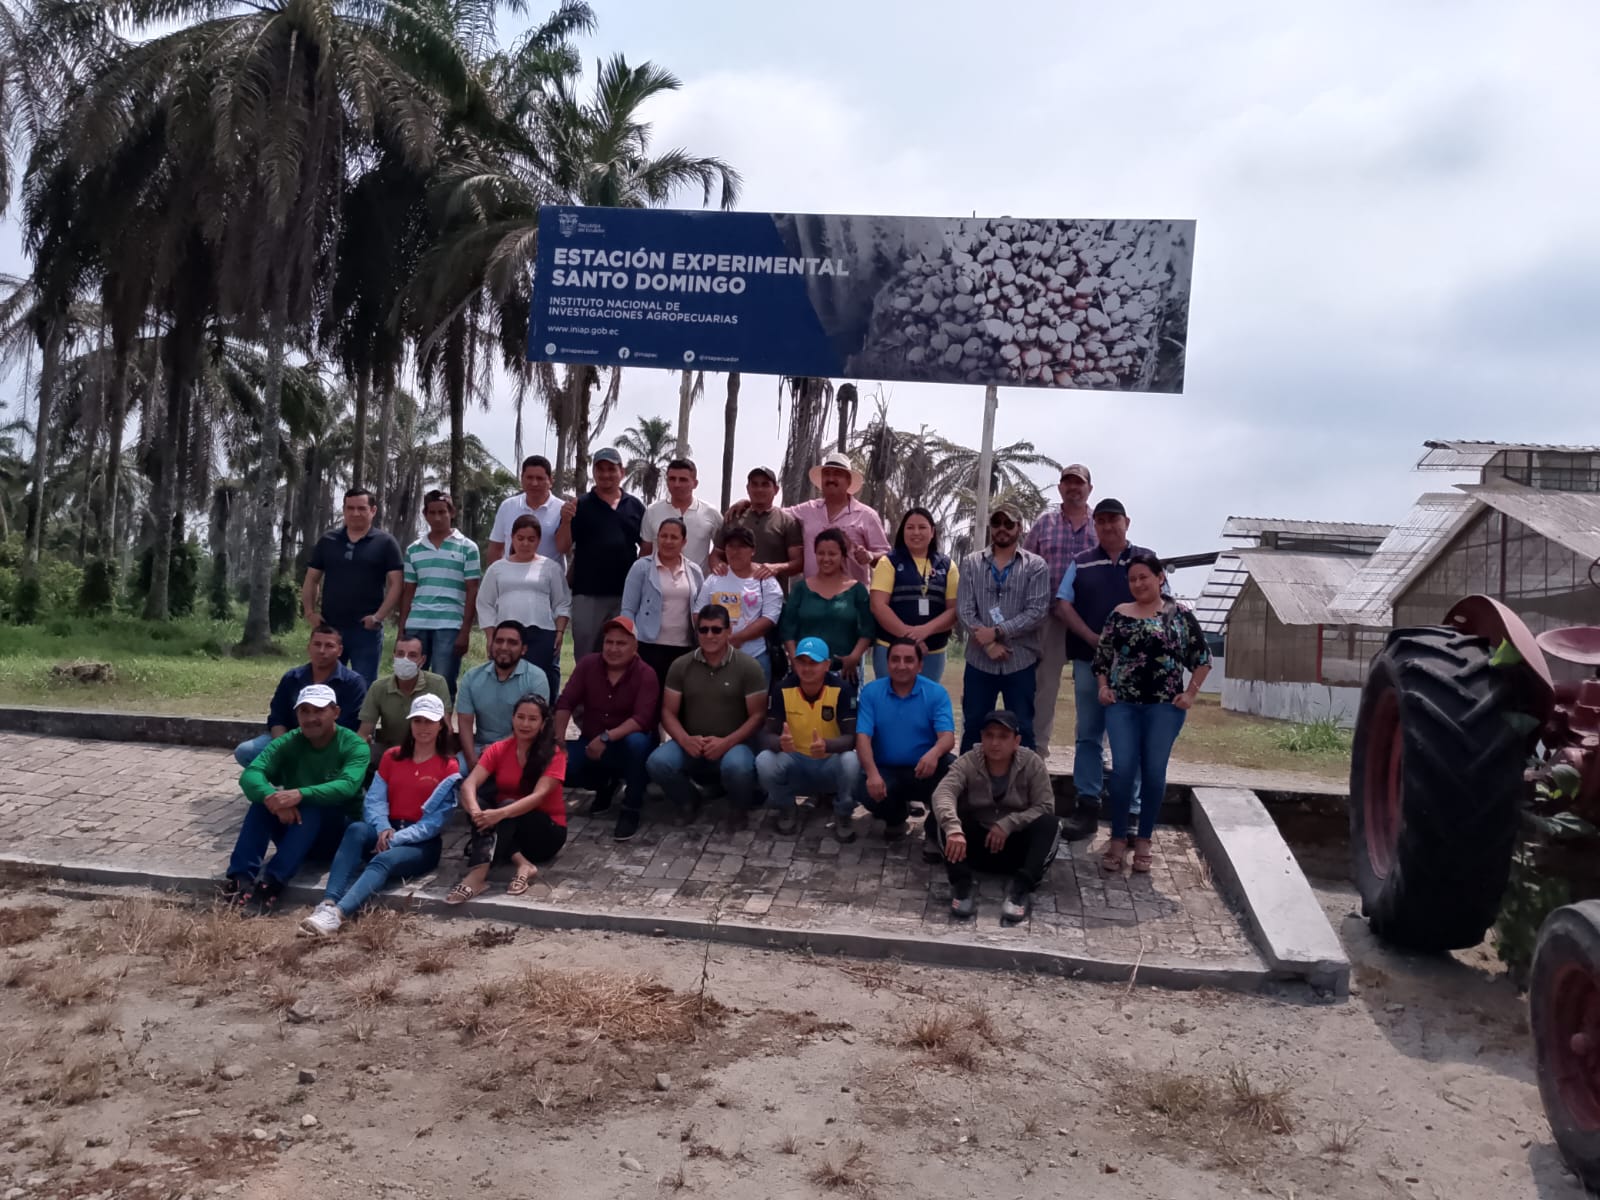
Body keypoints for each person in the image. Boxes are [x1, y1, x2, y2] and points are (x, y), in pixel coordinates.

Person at [300, 694, 460, 936]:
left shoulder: (449, 766)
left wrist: (396, 838)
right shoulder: (392, 756)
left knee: (383, 860)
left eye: (429, 721)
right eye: (418, 721)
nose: (423, 727)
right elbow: (375, 799)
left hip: (421, 843)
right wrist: (383, 827)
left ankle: (338, 915)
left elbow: (435, 821)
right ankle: (328, 902)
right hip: (386, 829)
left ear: (441, 726)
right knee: (356, 829)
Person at [1092, 554, 1211, 874]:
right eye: (1132, 579)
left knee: (1154, 772)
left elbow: (1202, 658)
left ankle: (1144, 839)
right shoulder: (1119, 614)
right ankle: (1118, 838)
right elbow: (1102, 659)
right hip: (1123, 706)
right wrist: (1103, 688)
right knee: (1122, 771)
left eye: (1144, 577)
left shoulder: (1179, 615)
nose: (1138, 584)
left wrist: (1190, 694)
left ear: (1160, 578)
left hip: (1164, 708)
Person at [1053, 498, 1159, 840]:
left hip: (1135, 669)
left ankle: (1131, 811)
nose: (1107, 526)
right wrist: (1090, 637)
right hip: (1089, 662)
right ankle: (1087, 805)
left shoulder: (1144, 559)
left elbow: (1164, 604)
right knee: (1088, 734)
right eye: (1100, 521)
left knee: (1131, 738)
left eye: (1114, 520)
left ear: (1127, 522)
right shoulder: (1082, 562)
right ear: (1094, 525)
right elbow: (1062, 603)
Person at [220, 685, 370, 915]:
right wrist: (272, 798)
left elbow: (347, 786)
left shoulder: (354, 745)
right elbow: (251, 774)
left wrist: (299, 794)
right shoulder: (290, 740)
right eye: (304, 711)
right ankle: (241, 878)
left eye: (319, 711)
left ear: (336, 712)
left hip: (336, 837)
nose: (311, 718)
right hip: (296, 829)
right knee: (261, 804)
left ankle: (272, 883)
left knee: (311, 806)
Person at [930, 710, 1061, 923]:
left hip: (1016, 848)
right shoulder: (968, 761)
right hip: (975, 846)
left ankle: (1021, 889)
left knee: (1051, 824)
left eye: (1003, 736)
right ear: (982, 738)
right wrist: (954, 829)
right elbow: (943, 793)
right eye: (989, 735)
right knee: (939, 816)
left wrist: (1009, 823)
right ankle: (962, 885)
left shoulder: (1032, 763)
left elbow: (1045, 806)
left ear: (1016, 741)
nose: (995, 743)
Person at [646, 604, 767, 821]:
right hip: (692, 743)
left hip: (734, 745)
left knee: (738, 767)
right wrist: (685, 740)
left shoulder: (749, 667)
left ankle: (739, 807)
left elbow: (757, 716)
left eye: (716, 629)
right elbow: (668, 712)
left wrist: (726, 743)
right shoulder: (680, 666)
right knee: (658, 762)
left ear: (729, 631)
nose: (709, 635)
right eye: (703, 629)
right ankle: (688, 800)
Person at [448, 694, 569, 904]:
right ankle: (523, 864)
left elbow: (538, 796)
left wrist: (499, 814)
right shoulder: (499, 748)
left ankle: (477, 875)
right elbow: (469, 784)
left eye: (532, 719)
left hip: (544, 833)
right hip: (506, 827)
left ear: (543, 724)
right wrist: (477, 813)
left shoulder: (555, 753)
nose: (525, 724)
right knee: (476, 804)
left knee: (506, 807)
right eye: (520, 717)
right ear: (512, 718)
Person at [553, 617, 659, 843]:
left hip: (627, 744)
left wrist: (606, 737)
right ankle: (605, 784)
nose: (613, 649)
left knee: (637, 743)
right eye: (609, 642)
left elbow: (642, 719)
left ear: (635, 646)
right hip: (591, 742)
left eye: (621, 643)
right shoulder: (588, 665)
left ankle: (631, 807)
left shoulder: (646, 673)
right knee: (562, 765)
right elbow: (565, 702)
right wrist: (559, 741)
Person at [955, 501, 1050, 752]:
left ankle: (1023, 778)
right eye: (996, 523)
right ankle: (969, 777)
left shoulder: (1036, 565)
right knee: (974, 726)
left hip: (1020, 660)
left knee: (1023, 729)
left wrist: (997, 632)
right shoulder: (972, 563)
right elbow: (964, 610)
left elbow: (1037, 611)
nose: (1002, 529)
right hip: (979, 660)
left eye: (1009, 523)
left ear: (1020, 527)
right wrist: (988, 644)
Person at [1023, 463, 1097, 754]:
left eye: (1079, 482)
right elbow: (1025, 565)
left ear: (1089, 488)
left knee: (1092, 688)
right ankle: (1037, 750)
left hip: (1089, 619)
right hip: (1050, 617)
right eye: (1068, 482)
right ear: (1060, 488)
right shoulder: (1044, 524)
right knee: (1044, 687)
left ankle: (1092, 753)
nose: (1073, 487)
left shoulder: (1099, 525)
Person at [853, 637, 956, 844]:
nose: (901, 666)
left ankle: (933, 830)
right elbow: (862, 737)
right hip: (886, 770)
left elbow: (947, 737)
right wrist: (872, 774)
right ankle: (896, 818)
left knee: (953, 770)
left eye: (909, 660)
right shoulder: (871, 692)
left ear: (920, 665)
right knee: (860, 786)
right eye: (895, 659)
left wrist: (934, 753)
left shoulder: (936, 693)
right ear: (887, 662)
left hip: (924, 769)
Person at [755, 637, 861, 836]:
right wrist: (779, 743)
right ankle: (787, 807)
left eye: (814, 663)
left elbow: (851, 737)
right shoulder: (782, 689)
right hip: (796, 763)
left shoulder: (843, 690)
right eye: (802, 662)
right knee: (764, 760)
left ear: (827, 665)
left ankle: (843, 812)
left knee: (851, 760)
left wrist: (827, 745)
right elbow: (766, 734)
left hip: (829, 763)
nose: (807, 668)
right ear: (794, 663)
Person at [301, 488, 403, 684]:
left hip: (366, 630)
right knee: (324, 684)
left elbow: (396, 584)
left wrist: (378, 617)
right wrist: (310, 613)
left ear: (373, 510)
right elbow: (312, 579)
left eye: (361, 508)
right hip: (330, 627)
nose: (355, 513)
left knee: (363, 686)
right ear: (344, 510)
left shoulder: (386, 543)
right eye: (350, 508)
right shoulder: (328, 541)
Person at [234, 626, 367, 767]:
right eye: (317, 644)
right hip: (291, 739)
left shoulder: (353, 683)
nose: (322, 651)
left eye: (329, 646)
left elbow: (349, 725)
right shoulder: (292, 678)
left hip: (332, 745)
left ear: (339, 651)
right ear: (308, 648)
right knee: (245, 752)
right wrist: (283, 747)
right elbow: (277, 717)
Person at [556, 447, 645, 656]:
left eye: (611, 469)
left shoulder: (634, 506)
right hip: (588, 593)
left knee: (623, 653)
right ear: (593, 472)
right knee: (587, 653)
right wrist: (566, 521)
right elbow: (562, 546)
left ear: (622, 472)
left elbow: (646, 546)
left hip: (626, 595)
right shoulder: (580, 505)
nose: (606, 474)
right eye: (600, 469)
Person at [476, 515, 571, 698]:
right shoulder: (497, 568)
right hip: (507, 635)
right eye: (520, 538)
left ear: (539, 541)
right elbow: (485, 603)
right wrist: (490, 635)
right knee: (507, 680)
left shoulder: (550, 567)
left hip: (541, 633)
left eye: (531, 539)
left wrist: (559, 631)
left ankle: (546, 715)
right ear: (512, 538)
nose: (525, 544)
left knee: (541, 682)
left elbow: (562, 602)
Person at [397, 489, 480, 696]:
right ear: (425, 515)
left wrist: (465, 631)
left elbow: (472, 590)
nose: (437, 517)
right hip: (417, 623)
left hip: (449, 625)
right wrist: (402, 629)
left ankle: (443, 718)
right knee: (410, 679)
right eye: (432, 512)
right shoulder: (414, 549)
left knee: (443, 682)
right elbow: (408, 591)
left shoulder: (467, 548)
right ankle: (412, 717)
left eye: (442, 512)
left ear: (452, 513)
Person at [868, 507, 959, 681]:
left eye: (922, 527)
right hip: (891, 649)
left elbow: (954, 611)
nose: (916, 532)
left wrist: (925, 631)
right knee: (890, 696)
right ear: (903, 532)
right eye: (910, 527)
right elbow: (878, 606)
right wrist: (911, 637)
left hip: (932, 652)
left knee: (926, 697)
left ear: (932, 532)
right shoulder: (888, 562)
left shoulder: (948, 566)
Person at [621, 516, 705, 696]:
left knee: (676, 699)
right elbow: (628, 609)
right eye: (663, 536)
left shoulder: (694, 571)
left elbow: (699, 609)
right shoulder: (641, 568)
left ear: (684, 542)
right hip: (648, 646)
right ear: (657, 538)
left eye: (674, 537)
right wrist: (630, 643)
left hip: (684, 647)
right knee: (648, 698)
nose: (668, 541)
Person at [779, 529, 874, 684]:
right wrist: (795, 659)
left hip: (845, 672)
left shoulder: (857, 590)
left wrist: (854, 657)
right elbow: (788, 629)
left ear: (843, 556)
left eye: (832, 554)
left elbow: (867, 630)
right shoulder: (801, 589)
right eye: (821, 553)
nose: (826, 559)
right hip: (806, 671)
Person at [455, 621, 550, 769]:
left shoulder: (536, 678)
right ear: (491, 645)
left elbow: (533, 726)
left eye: (512, 643)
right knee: (453, 771)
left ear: (523, 649)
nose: (504, 647)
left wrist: (496, 750)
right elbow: (465, 723)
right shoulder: (472, 677)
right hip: (480, 749)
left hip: (522, 749)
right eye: (499, 641)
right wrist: (471, 759)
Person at [785, 451, 890, 585]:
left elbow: (887, 557)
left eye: (837, 474)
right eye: (827, 474)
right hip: (812, 594)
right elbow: (777, 514)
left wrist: (870, 556)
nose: (831, 479)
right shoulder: (808, 509)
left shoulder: (867, 515)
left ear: (848, 481)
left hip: (853, 595)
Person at [696, 526, 783, 684]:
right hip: (715, 658)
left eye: (742, 546)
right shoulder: (714, 578)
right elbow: (698, 613)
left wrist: (737, 638)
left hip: (756, 656)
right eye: (731, 546)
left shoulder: (766, 580)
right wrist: (714, 640)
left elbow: (769, 618)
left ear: (753, 550)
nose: (735, 552)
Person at [710, 465, 803, 592]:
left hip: (772, 595)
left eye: (765, 485)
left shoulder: (787, 522)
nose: (759, 489)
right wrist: (718, 566)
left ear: (776, 490)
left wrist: (777, 568)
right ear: (748, 488)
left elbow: (798, 562)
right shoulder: (733, 518)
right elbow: (716, 554)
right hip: (733, 595)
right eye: (754, 484)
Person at [357, 633, 452, 753]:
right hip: (390, 751)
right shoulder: (378, 687)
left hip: (428, 751)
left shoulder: (437, 683)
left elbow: (446, 728)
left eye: (412, 655)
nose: (405, 659)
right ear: (394, 657)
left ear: (422, 660)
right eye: (400, 654)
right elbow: (364, 733)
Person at [639, 458, 722, 566]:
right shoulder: (652, 512)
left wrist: (714, 563)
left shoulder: (710, 513)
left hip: (699, 576)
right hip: (658, 576)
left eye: (683, 480)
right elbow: (645, 551)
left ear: (695, 483)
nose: (677, 484)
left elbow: (723, 548)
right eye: (672, 479)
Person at [486, 454, 565, 567]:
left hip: (549, 577)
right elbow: (496, 548)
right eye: (529, 477)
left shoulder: (562, 510)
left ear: (550, 481)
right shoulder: (507, 506)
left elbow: (566, 548)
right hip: (511, 576)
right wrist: (495, 575)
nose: (534, 483)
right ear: (522, 479)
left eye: (540, 478)